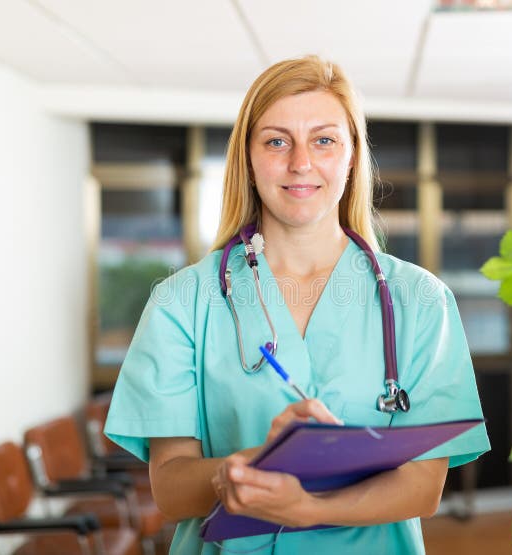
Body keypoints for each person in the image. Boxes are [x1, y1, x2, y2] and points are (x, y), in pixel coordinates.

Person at [105, 55, 490, 554]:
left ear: (352, 157)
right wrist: (256, 462)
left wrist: (311, 509)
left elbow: (424, 486)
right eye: (277, 140)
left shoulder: (420, 301)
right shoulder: (183, 301)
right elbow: (171, 489)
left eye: (324, 140)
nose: (300, 162)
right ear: (248, 157)